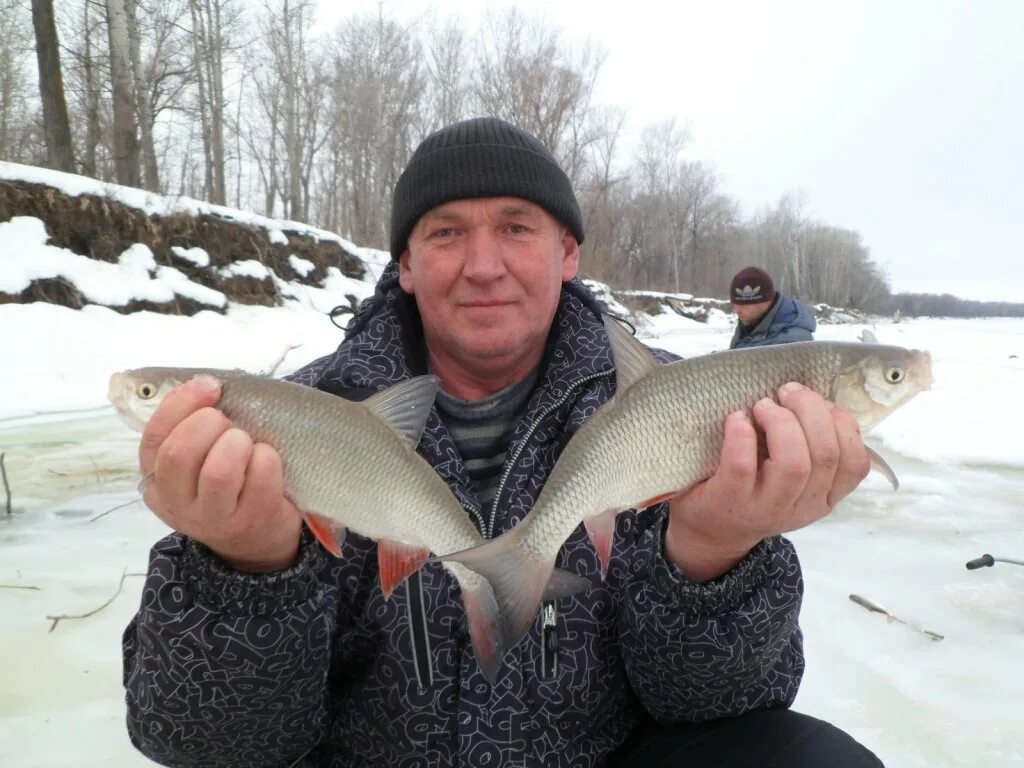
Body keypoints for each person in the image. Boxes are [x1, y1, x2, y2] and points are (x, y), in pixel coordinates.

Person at [122, 117, 883, 767]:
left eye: (517, 228)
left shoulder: (687, 411)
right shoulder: (304, 413)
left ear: (568, 252)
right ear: (408, 266)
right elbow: (200, 741)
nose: (484, 267)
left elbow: (724, 707)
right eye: (447, 233)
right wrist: (243, 570)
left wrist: (717, 550)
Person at [728, 266, 817, 349]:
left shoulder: (792, 342)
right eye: (734, 304)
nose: (736, 310)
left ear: (764, 302)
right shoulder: (750, 323)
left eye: (743, 305)